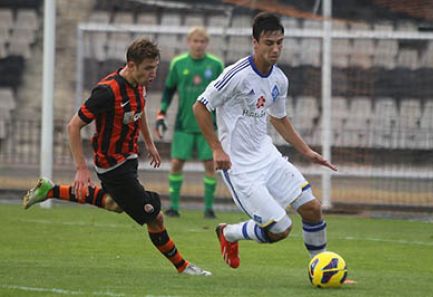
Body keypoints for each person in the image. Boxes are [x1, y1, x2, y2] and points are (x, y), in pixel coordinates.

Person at [23, 38, 211, 276]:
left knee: (114, 204)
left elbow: (139, 110)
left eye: (155, 68)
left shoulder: (139, 84)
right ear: (131, 65)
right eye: (148, 69)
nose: (153, 74)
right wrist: (82, 169)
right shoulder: (107, 92)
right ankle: (183, 267)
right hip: (112, 166)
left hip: (129, 158)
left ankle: (50, 190)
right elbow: (73, 126)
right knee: (155, 217)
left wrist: (150, 142)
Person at [193, 13, 337, 270]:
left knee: (313, 208)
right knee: (281, 229)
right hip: (239, 167)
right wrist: (217, 149)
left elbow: (279, 118)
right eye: (269, 43)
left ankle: (323, 267)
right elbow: (201, 107)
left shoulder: (279, 79)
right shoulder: (236, 74)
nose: (276, 48)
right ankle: (229, 233)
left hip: (267, 157)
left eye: (280, 42)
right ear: (255, 43)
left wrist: (306, 151)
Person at [155, 27, 224, 219]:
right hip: (183, 124)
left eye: (202, 41)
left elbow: (223, 95)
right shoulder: (178, 63)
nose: (198, 45)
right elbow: (168, 90)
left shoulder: (216, 65)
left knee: (210, 165)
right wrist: (161, 113)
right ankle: (174, 207)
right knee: (176, 163)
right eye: (195, 41)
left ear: (207, 44)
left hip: (208, 126)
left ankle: (209, 208)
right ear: (189, 42)